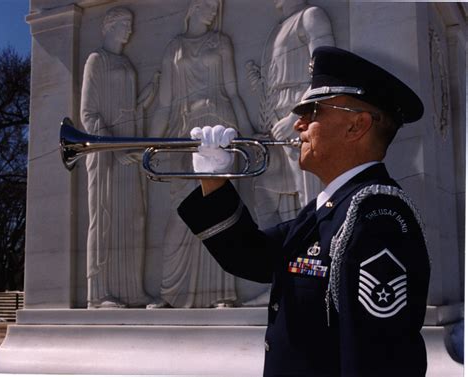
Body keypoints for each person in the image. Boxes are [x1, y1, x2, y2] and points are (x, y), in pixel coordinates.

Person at [178, 46, 430, 376]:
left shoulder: (376, 218)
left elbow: (376, 361)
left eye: (312, 112)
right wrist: (214, 181)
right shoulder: (330, 207)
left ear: (357, 126)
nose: (298, 125)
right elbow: (252, 257)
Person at [147, 0, 253, 308]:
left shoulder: (221, 42)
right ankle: (170, 294)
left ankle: (223, 293)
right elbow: (165, 105)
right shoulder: (174, 48)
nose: (213, 12)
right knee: (182, 212)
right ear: (193, 7)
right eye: (207, 6)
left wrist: (249, 134)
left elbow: (232, 91)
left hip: (219, 127)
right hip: (184, 132)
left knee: (220, 205)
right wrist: (150, 144)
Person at [244, 0, 334, 306]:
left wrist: (297, 116)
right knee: (266, 193)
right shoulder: (276, 29)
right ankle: (278, 276)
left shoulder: (311, 16)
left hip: (300, 123)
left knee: (307, 199)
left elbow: (326, 74)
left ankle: (312, 280)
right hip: (277, 124)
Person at [81, 7, 155, 308]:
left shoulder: (125, 62)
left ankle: (132, 289)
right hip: (106, 155)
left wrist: (145, 101)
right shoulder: (95, 61)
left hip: (128, 151)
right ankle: (98, 294)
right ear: (108, 26)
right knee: (105, 220)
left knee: (134, 219)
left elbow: (128, 110)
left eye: (131, 24)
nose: (129, 31)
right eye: (124, 24)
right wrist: (115, 148)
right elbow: (89, 113)